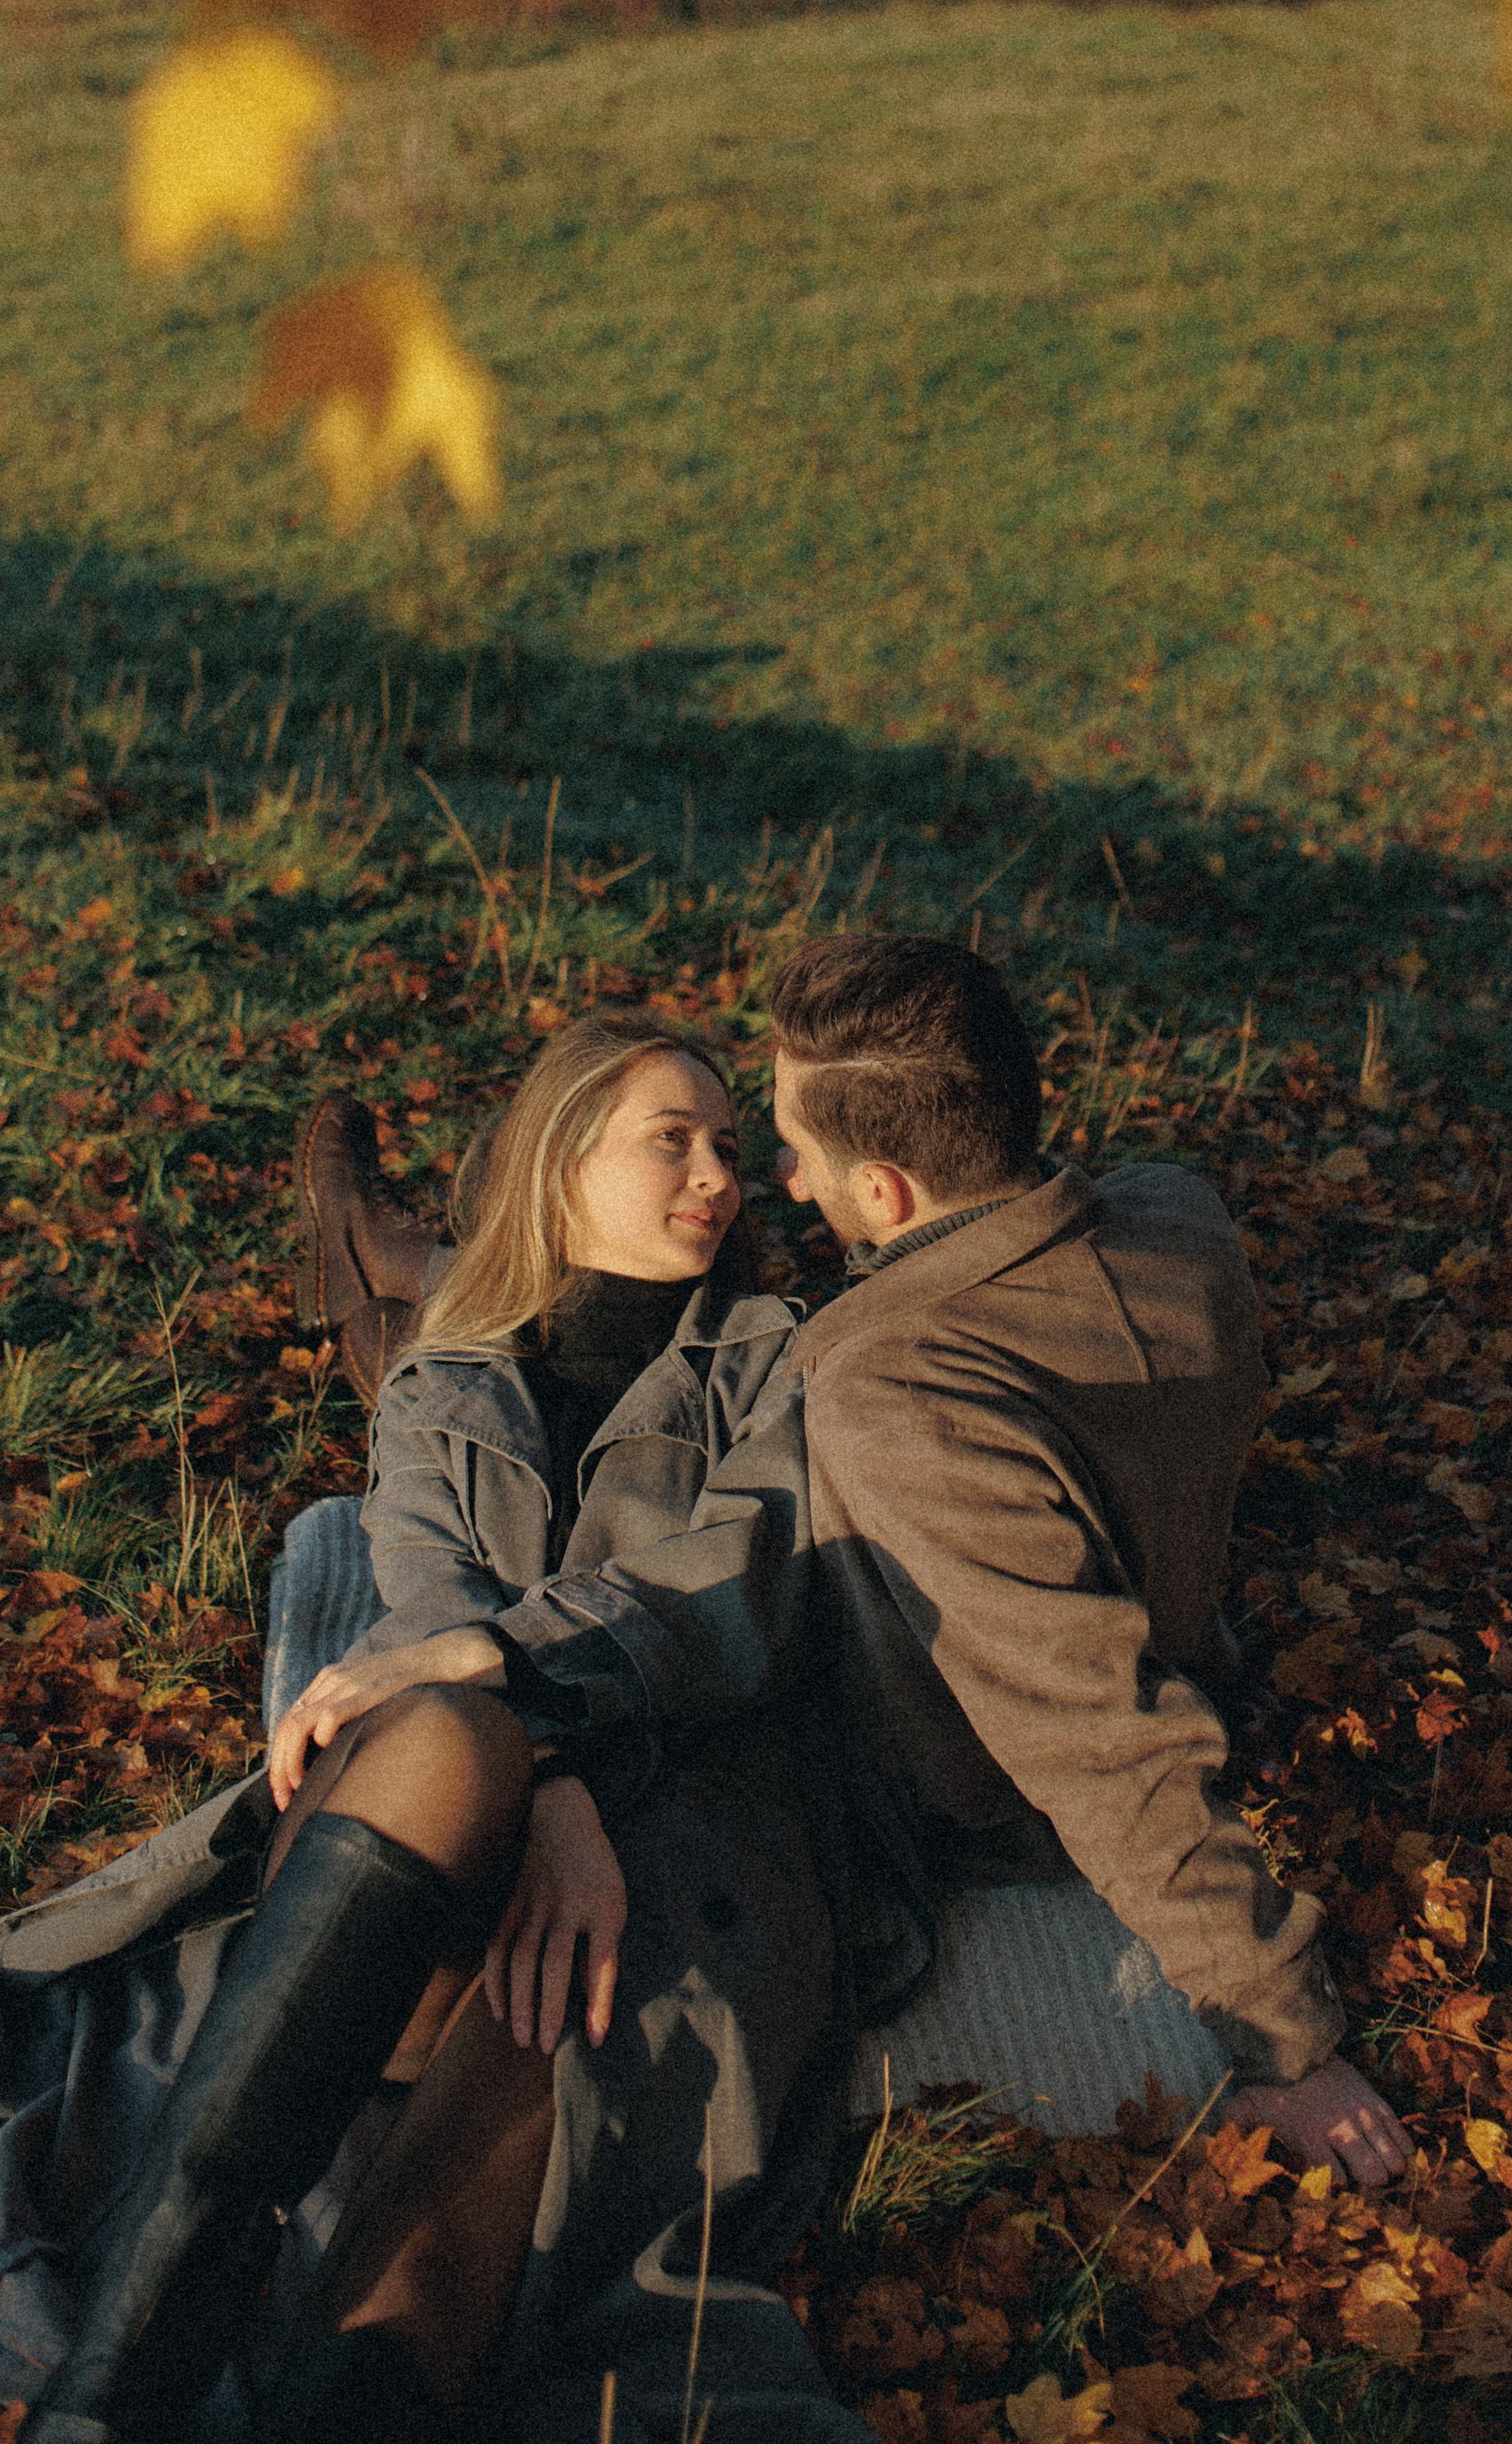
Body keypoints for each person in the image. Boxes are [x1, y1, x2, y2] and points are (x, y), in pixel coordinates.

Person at [0, 1016, 873, 2444]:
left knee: (552, 2020)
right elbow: (423, 1582)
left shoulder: (773, 1358)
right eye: (671, 1139)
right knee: (450, 1741)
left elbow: (741, 1584)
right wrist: (546, 1784)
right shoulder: (448, 1371)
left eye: (731, 1146)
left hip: (663, 1834)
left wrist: (522, 1696)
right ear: (556, 1168)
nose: (718, 1175)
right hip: (445, 1820)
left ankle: (317, 2388)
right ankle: (121, 2384)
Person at [291, 933, 1410, 2191]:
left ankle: (393, 1270)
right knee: (453, 1341)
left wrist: (1283, 2032)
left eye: (775, 1148)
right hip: (584, 1399)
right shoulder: (1173, 1211)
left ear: (880, 1194)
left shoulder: (874, 1398)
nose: (761, 1177)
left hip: (911, 1785)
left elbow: (1093, 1726)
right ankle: (399, 1259)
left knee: (438, 1346)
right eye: (695, 1142)